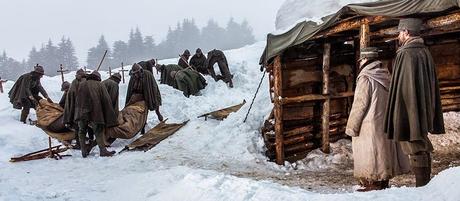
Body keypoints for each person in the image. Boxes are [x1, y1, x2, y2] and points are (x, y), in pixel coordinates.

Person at [384, 18, 445, 187]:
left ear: (407, 32)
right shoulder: (424, 52)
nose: (399, 35)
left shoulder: (406, 53)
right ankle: (424, 184)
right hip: (421, 105)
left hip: (410, 107)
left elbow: (404, 87)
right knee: (419, 141)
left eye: (400, 32)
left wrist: (402, 111)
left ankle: (422, 185)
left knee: (414, 143)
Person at [346, 47, 409, 192]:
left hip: (369, 124)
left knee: (371, 153)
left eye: (361, 59)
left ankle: (372, 183)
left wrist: (352, 127)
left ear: (365, 60)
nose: (360, 62)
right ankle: (383, 182)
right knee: (382, 152)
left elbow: (360, 104)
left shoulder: (366, 78)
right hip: (384, 123)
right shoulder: (386, 76)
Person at [75, 71, 118, 157]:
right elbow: (106, 99)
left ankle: (83, 151)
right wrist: (109, 114)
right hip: (95, 112)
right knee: (98, 131)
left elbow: (77, 99)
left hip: (81, 112)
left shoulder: (82, 84)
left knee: (82, 131)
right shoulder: (100, 84)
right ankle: (102, 151)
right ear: (98, 78)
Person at [126, 64, 163, 132]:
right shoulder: (133, 77)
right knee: (141, 112)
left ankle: (159, 116)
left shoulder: (147, 75)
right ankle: (142, 126)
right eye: (134, 73)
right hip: (139, 96)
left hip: (149, 94)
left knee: (155, 107)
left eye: (137, 73)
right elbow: (131, 89)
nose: (136, 75)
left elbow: (153, 88)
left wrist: (150, 98)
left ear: (140, 71)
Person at [63, 69, 88, 149]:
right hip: (87, 108)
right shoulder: (87, 81)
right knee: (86, 126)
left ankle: (79, 143)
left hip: (76, 108)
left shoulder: (74, 82)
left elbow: (71, 96)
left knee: (77, 127)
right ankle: (86, 140)